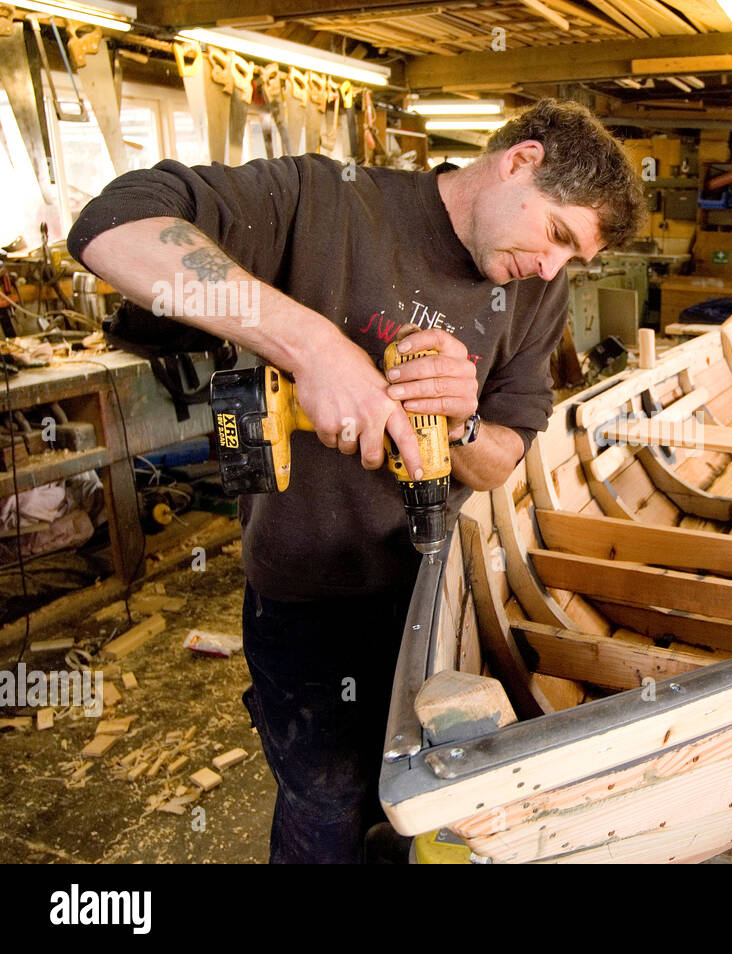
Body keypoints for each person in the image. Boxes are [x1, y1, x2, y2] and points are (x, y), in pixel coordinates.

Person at [66, 98, 647, 863]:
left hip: (443, 595)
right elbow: (112, 227)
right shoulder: (322, 201)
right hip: (310, 603)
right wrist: (313, 347)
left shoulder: (533, 289)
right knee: (325, 806)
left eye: (573, 261)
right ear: (520, 162)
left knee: (422, 804)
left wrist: (462, 423)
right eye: (557, 236)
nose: (551, 269)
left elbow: (505, 452)